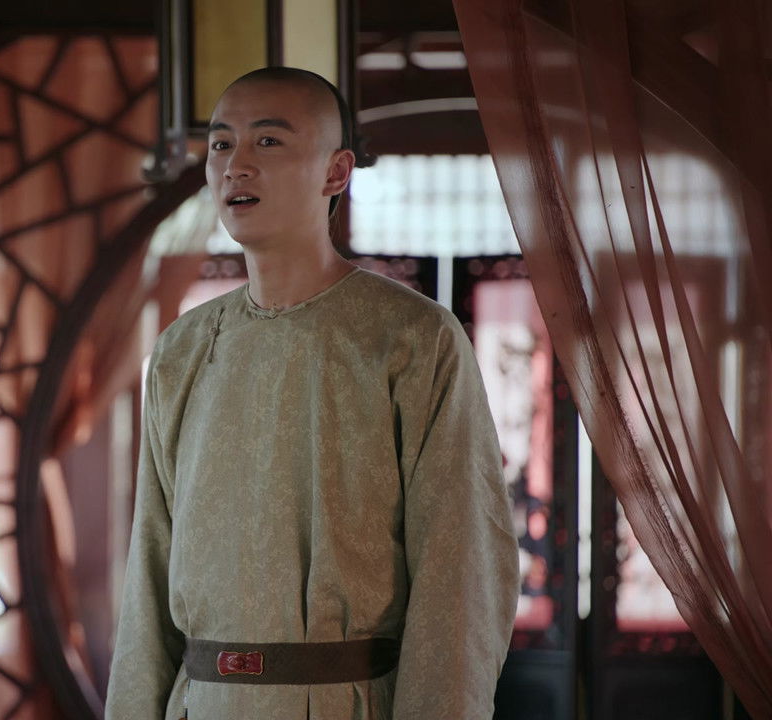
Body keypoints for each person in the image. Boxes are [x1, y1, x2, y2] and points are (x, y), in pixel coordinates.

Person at [104, 67, 518, 719]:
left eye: (268, 141)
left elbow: (459, 572)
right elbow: (148, 570)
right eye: (221, 144)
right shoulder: (183, 350)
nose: (236, 165)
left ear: (336, 171)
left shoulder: (411, 338)